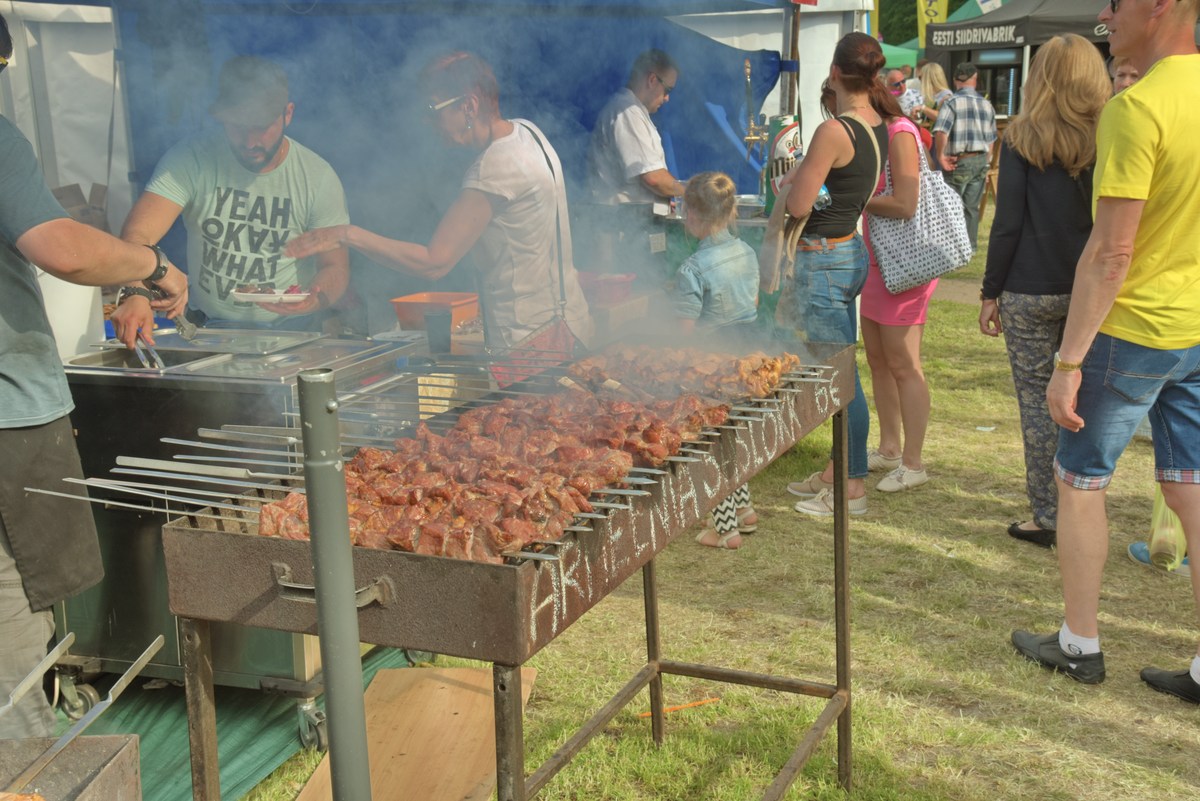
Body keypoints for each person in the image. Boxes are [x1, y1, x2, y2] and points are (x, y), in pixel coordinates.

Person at [0, 12, 189, 739]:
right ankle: (25, 767)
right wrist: (153, 267)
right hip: (10, 421)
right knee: (12, 606)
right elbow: (64, 249)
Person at [1011, 0, 1200, 706]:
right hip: (1194, 324)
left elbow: (1113, 249)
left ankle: (1079, 642)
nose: (1105, 14)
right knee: (1188, 484)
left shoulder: (1137, 107)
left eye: (1117, 5)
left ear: (1157, 8)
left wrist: (1068, 362)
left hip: (1135, 328)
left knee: (1079, 480)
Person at [286, 51, 592, 350]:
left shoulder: (495, 167)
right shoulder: (528, 132)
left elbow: (434, 262)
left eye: (433, 110)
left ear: (469, 106)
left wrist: (346, 234)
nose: (428, 123)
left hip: (530, 343)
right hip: (570, 325)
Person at [111, 55, 351, 348]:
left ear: (288, 114)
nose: (250, 142)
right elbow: (139, 234)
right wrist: (136, 292)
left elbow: (335, 267)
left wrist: (311, 300)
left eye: (261, 127)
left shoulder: (317, 176)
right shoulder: (191, 158)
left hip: (294, 329)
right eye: (237, 126)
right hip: (208, 327)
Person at [978, 35, 1111, 549]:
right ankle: (1083, 506)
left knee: (1038, 406)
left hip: (1030, 290)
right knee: (1088, 403)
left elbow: (1007, 223)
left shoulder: (1020, 137)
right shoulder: (1110, 132)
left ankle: (1050, 514)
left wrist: (991, 292)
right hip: (1090, 288)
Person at [779, 31, 891, 518]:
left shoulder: (834, 131)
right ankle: (837, 468)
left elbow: (800, 202)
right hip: (847, 251)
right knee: (843, 370)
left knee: (840, 377)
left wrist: (791, 178)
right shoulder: (878, 123)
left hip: (824, 258)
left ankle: (852, 485)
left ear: (836, 73)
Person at [668, 171, 759, 549]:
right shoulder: (747, 252)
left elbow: (685, 334)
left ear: (691, 215)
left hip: (709, 361)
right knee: (731, 432)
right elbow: (751, 304)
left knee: (709, 440)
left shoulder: (692, 269)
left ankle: (725, 530)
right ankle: (744, 511)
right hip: (745, 352)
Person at [859, 92, 931, 493]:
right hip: (878, 261)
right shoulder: (875, 135)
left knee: (904, 363)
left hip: (905, 265)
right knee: (878, 360)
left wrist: (856, 198)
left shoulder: (900, 132)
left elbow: (905, 204)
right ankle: (889, 448)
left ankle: (913, 462)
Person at [585, 49, 687, 280]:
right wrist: (694, 191)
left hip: (635, 228)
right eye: (667, 90)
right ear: (652, 80)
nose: (668, 98)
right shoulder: (626, 112)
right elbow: (652, 177)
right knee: (631, 297)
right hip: (622, 232)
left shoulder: (636, 113)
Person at [932, 62, 996, 250]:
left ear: (955, 80)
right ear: (975, 80)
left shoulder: (951, 102)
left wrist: (940, 156)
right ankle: (970, 247)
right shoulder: (986, 104)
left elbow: (941, 131)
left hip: (958, 160)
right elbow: (991, 138)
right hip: (980, 159)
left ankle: (950, 248)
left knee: (950, 207)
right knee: (971, 208)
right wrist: (987, 162)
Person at [913, 62, 953, 130]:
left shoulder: (946, 95)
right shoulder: (930, 95)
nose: (919, 80)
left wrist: (923, 108)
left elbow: (942, 117)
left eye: (920, 77)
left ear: (929, 78)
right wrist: (918, 115)